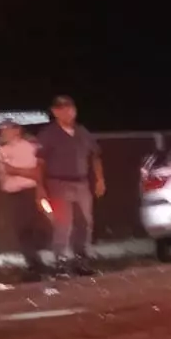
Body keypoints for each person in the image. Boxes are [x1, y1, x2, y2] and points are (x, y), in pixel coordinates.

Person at [35, 95, 104, 275]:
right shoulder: (48, 134)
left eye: (70, 107)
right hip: (58, 182)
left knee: (85, 222)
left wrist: (100, 179)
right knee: (63, 223)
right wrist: (40, 188)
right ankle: (61, 263)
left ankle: (82, 261)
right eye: (62, 108)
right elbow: (40, 163)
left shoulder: (82, 132)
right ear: (55, 112)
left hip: (81, 183)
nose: (67, 111)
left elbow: (95, 156)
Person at [0, 119, 48, 279]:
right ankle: (34, 264)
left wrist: (14, 170)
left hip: (27, 192)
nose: (2, 133)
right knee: (22, 230)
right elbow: (0, 173)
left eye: (6, 130)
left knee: (29, 228)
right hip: (12, 194)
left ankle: (36, 265)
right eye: (1, 130)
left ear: (17, 131)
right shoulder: (0, 150)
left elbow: (35, 172)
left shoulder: (28, 147)